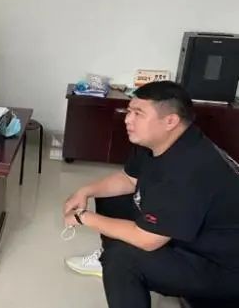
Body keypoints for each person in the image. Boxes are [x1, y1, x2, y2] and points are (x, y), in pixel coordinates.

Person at [63, 81, 239, 308]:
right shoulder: (159, 141)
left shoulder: (191, 169)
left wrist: (83, 217)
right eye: (129, 111)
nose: (128, 119)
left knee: (122, 260)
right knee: (111, 197)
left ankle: (113, 261)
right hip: (192, 237)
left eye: (138, 114)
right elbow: (128, 179)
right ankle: (108, 258)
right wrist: (85, 191)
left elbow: (147, 240)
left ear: (170, 121)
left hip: (224, 270)